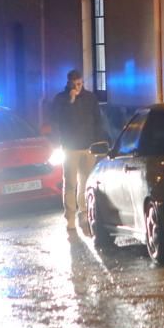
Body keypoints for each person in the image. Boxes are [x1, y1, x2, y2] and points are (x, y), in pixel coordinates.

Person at [50, 69, 106, 230]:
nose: (78, 86)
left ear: (82, 82)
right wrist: (70, 100)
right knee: (70, 183)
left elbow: (97, 120)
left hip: (88, 147)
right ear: (68, 83)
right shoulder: (61, 99)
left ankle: (84, 212)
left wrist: (98, 142)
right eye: (74, 84)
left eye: (80, 83)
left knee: (86, 182)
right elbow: (55, 119)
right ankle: (70, 217)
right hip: (70, 148)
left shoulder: (90, 98)